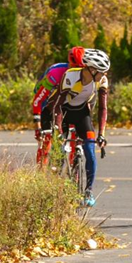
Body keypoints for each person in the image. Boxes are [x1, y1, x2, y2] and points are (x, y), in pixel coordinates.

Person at [48, 48, 110, 206]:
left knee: (90, 150)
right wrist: (58, 129)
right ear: (92, 69)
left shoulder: (101, 80)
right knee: (59, 152)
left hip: (82, 113)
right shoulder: (70, 76)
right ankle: (53, 186)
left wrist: (101, 134)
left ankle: (88, 191)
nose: (105, 75)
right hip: (65, 112)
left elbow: (103, 108)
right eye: (102, 71)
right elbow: (58, 106)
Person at [31, 46, 85, 166]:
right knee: (47, 138)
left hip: (66, 105)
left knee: (75, 133)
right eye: (74, 68)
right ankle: (42, 173)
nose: (76, 72)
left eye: (80, 69)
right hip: (48, 104)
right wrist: (38, 126)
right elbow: (37, 101)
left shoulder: (85, 75)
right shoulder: (56, 73)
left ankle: (73, 172)